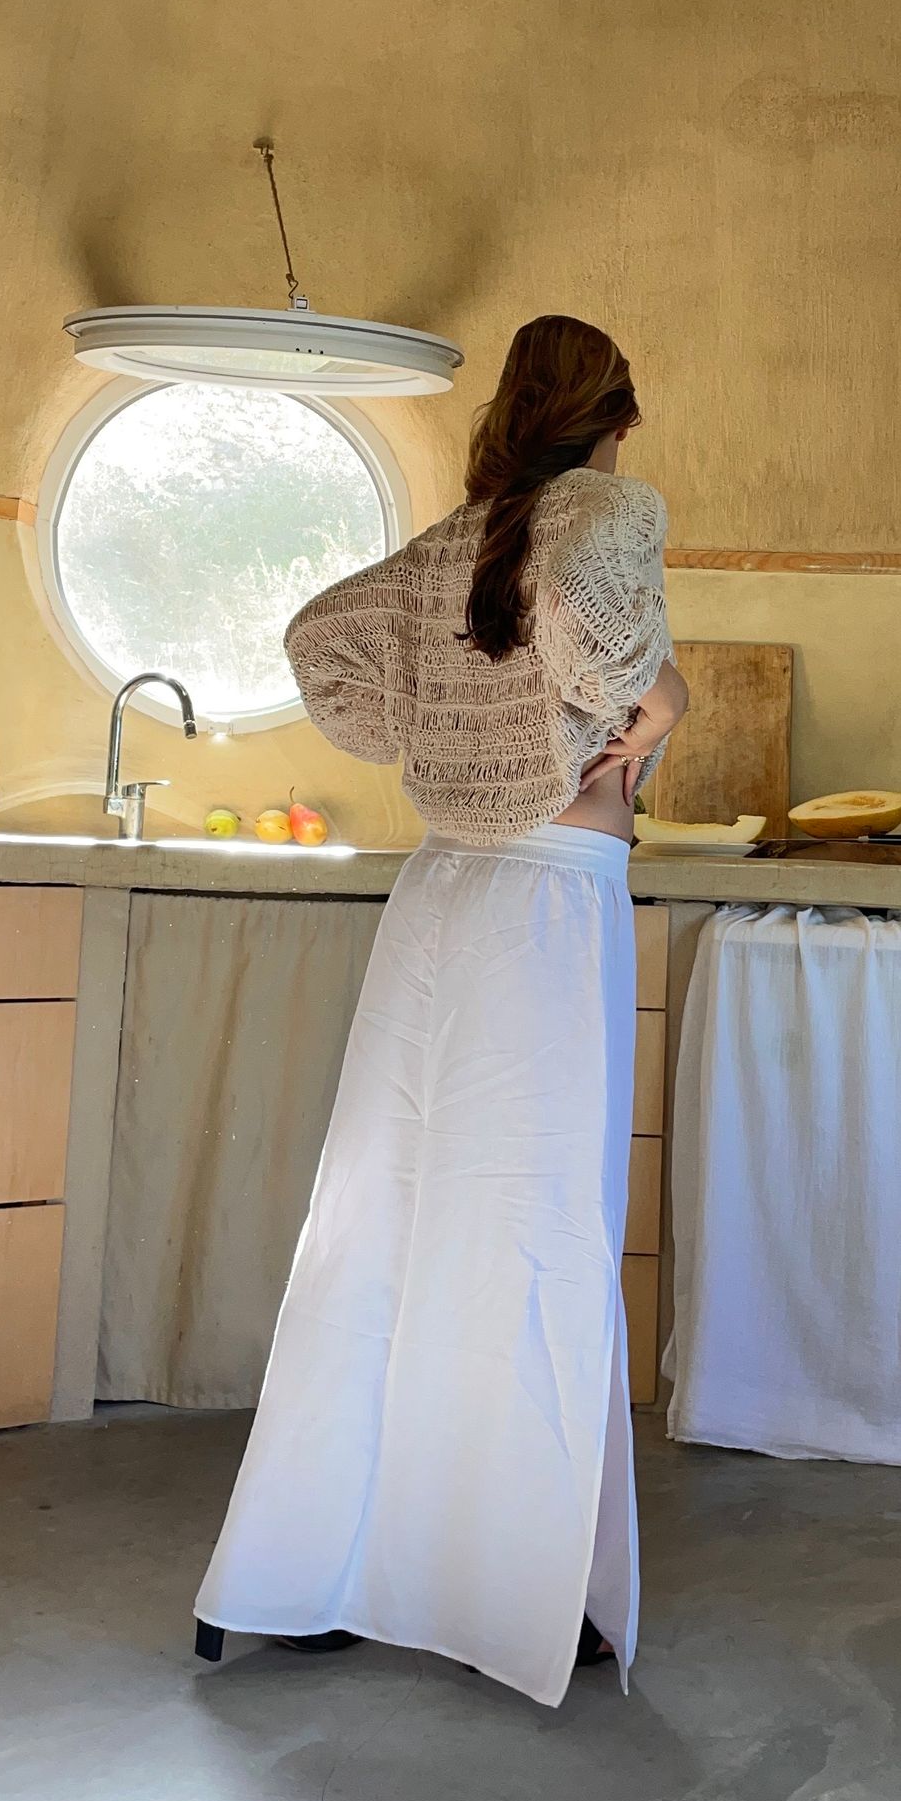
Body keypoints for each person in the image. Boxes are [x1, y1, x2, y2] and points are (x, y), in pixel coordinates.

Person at [194, 314, 688, 1705]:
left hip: (442, 901)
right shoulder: (602, 510)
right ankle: (517, 1592)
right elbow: (602, 629)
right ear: (618, 417)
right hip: (548, 906)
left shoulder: (447, 545)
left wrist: (428, 733)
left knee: (384, 1231)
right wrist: (655, 700)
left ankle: (317, 1568)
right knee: (533, 1237)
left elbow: (318, 643)